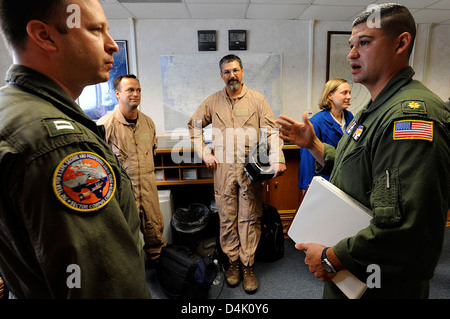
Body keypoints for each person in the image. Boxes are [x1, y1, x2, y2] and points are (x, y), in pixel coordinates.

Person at [277, 3, 449, 299]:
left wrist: (332, 257)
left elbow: (408, 231)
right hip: (356, 272)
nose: (351, 53)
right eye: (351, 44)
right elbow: (355, 169)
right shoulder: (372, 109)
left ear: (401, 43)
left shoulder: (409, 117)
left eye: (365, 43)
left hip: (380, 283)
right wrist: (313, 144)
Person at [0, 0, 151, 298]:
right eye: (96, 30)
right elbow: (101, 282)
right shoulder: (59, 144)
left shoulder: (14, 108)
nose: (112, 46)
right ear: (45, 36)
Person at [187, 54, 286, 294]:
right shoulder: (212, 102)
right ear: (221, 75)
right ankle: (232, 264)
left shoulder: (257, 100)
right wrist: (205, 153)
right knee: (228, 218)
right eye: (226, 72)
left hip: (249, 170)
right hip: (222, 170)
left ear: (243, 72)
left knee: (250, 218)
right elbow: (194, 127)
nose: (231, 75)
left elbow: (272, 131)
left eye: (235, 70)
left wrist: (277, 159)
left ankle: (248, 265)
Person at [97, 74, 165, 266]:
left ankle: (159, 271)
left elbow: (151, 152)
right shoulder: (105, 125)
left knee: (155, 233)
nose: (135, 94)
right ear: (117, 94)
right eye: (130, 90)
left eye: (138, 90)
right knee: (126, 239)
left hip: (148, 189)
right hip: (123, 194)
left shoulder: (148, 123)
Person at [298, 78, 353, 193]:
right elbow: (308, 161)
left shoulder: (350, 118)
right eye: (344, 93)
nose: (349, 97)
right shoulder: (316, 123)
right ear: (330, 95)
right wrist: (306, 187)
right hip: (325, 185)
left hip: (346, 182)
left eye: (349, 93)